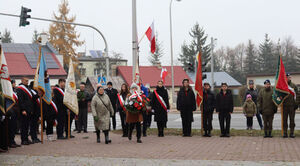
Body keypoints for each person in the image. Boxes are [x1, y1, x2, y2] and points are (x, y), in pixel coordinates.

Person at [16, 77, 35, 145]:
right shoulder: (20, 89)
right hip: (24, 111)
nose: (27, 82)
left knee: (27, 126)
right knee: (23, 126)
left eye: (28, 81)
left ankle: (26, 138)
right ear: (22, 80)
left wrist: (38, 95)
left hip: (29, 110)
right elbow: (20, 100)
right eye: (26, 81)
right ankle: (23, 140)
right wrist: (23, 109)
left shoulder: (28, 88)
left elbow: (32, 99)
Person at [282, 73, 299, 138]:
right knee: (284, 120)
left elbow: (297, 95)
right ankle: (285, 133)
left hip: (292, 106)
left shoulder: (294, 86)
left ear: (290, 78)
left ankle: (292, 132)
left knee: (292, 120)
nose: (287, 78)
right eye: (286, 77)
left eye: (288, 77)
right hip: (285, 106)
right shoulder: (283, 86)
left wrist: (296, 104)